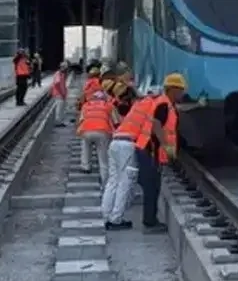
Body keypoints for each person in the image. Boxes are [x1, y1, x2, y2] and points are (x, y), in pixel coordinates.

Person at [100, 73, 184, 232]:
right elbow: (158, 121)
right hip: (128, 144)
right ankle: (116, 219)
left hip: (115, 141)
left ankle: (106, 215)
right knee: (126, 182)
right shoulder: (156, 104)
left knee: (113, 181)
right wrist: (166, 146)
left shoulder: (141, 103)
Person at [77, 87, 117, 183]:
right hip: (102, 131)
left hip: (86, 130)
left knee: (86, 146)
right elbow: (115, 121)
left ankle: (85, 165)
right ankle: (104, 175)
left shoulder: (86, 105)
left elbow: (81, 120)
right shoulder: (109, 105)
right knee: (103, 154)